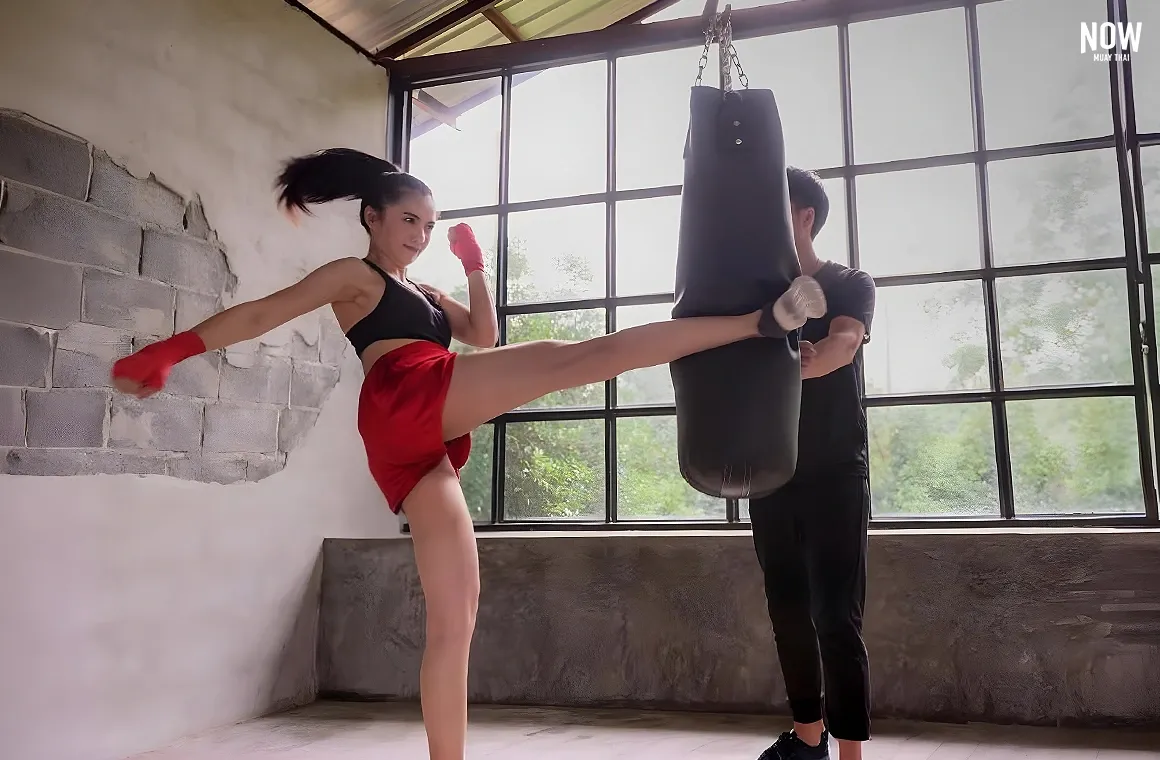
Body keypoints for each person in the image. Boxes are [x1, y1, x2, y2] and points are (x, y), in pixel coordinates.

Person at [109, 147, 827, 760]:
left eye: (427, 223)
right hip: (405, 394)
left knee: (457, 618)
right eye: (408, 221)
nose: (419, 234)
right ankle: (757, 323)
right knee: (581, 357)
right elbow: (268, 312)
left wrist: (473, 265)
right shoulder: (354, 279)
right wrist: (176, 349)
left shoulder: (424, 289)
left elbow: (481, 333)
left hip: (421, 440)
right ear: (372, 219)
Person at [750, 167, 877, 760]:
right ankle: (807, 740)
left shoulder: (851, 283)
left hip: (835, 470)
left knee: (835, 615)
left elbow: (843, 344)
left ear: (803, 217)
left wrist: (799, 359)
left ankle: (848, 753)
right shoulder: (757, 298)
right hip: (771, 468)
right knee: (787, 608)